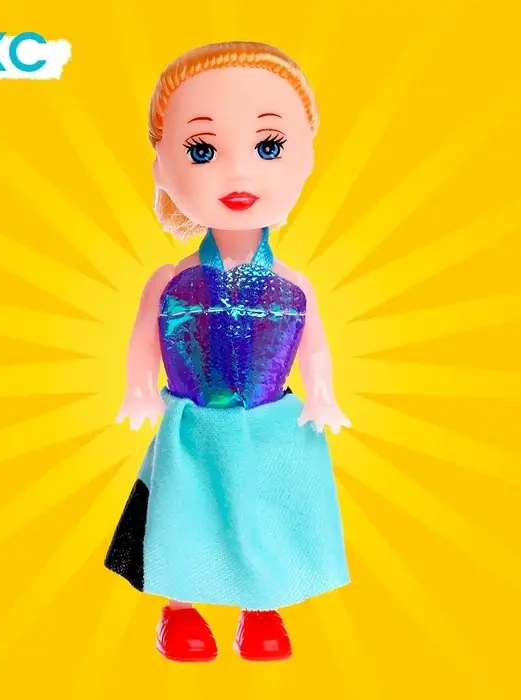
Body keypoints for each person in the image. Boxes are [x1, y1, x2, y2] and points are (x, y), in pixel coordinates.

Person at [105, 41, 351, 662]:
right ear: (162, 169)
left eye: (268, 146)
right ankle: (180, 609)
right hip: (193, 423)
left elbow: (314, 348)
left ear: (305, 159)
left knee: (267, 512)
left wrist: (322, 396)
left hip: (271, 422)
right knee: (184, 513)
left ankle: (260, 608)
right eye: (202, 150)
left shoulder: (293, 285)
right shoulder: (170, 281)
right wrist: (138, 389)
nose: (238, 173)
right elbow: (143, 339)